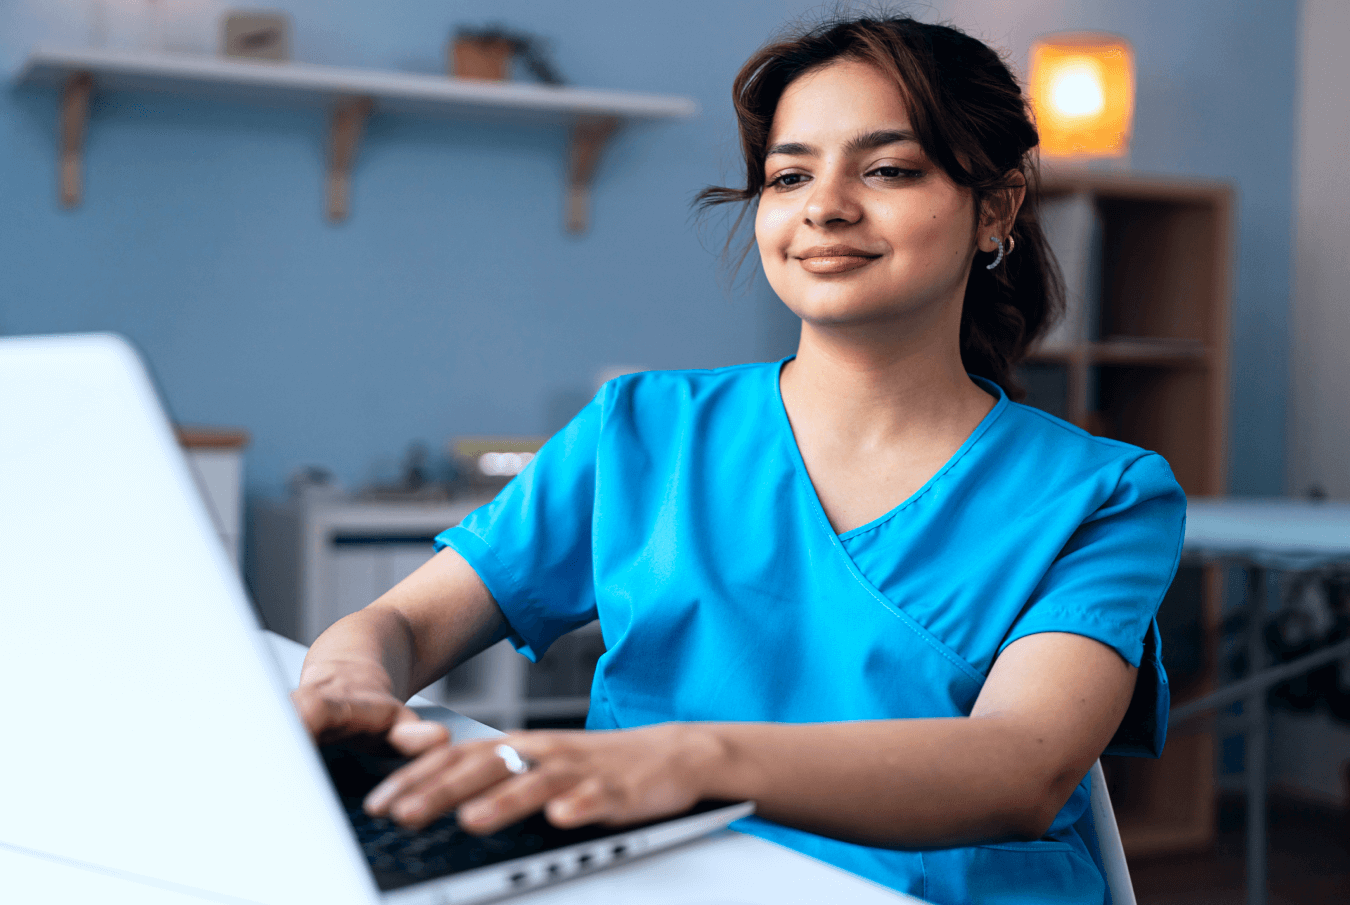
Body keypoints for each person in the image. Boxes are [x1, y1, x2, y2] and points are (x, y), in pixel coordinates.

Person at [292, 14, 1185, 904]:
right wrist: (348, 686)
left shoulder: (1102, 496)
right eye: (789, 175)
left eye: (888, 169)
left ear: (995, 210)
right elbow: (400, 624)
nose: (824, 206)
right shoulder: (641, 431)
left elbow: (1018, 769)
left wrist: (686, 758)